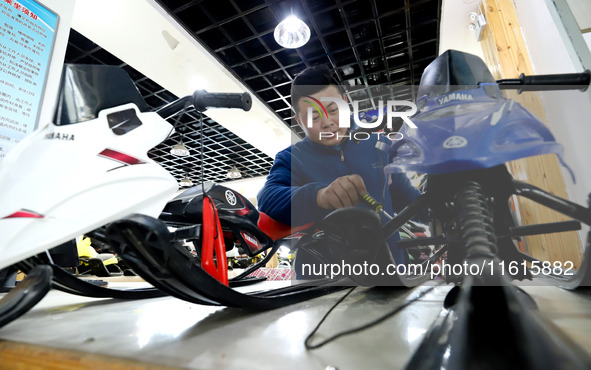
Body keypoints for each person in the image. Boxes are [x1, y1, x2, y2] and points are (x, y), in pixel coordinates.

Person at [257, 65, 421, 272]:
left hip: (389, 271)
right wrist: (319, 196)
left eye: (333, 110)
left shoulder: (379, 146)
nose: (327, 122)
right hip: (322, 282)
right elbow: (268, 198)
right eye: (314, 118)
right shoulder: (291, 158)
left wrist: (450, 208)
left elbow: (409, 198)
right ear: (299, 122)